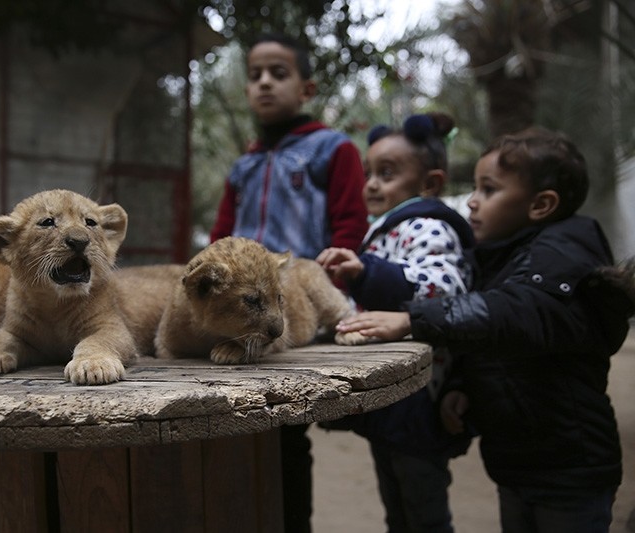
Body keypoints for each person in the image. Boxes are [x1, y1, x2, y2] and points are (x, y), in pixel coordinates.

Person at [337, 127, 635, 533]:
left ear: (541, 204)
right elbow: (487, 342)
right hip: (515, 463)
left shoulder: (562, 254)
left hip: (570, 466)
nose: (473, 201)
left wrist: (414, 318)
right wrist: (461, 386)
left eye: (489, 190)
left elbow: (510, 313)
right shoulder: (499, 256)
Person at [208, 32, 368, 533]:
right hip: (238, 309)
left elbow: (349, 226)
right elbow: (219, 237)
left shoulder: (332, 149)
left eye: (278, 73)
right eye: (255, 75)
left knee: (283, 428)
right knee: (227, 422)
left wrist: (337, 283)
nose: (264, 84)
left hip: (292, 304)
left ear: (306, 87)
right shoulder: (245, 163)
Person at [317, 112, 474, 533]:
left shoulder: (428, 225)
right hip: (393, 397)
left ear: (430, 184)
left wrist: (366, 273)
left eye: (386, 173)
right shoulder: (386, 229)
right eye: (370, 172)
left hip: (420, 396)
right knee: (397, 505)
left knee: (424, 510)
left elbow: (444, 288)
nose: (371, 183)